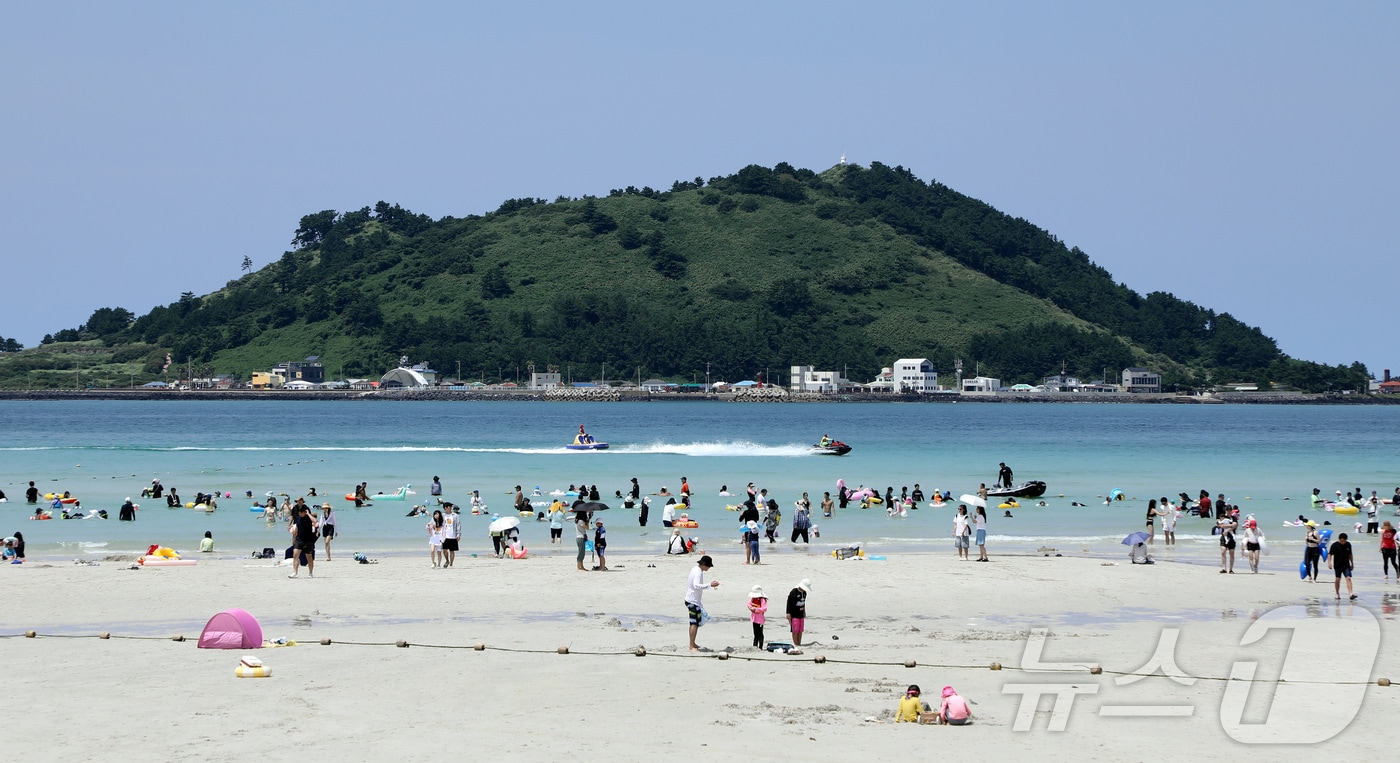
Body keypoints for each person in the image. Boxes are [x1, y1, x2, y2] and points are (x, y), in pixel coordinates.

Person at [686, 555, 719, 651]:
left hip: (693, 600)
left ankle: (693, 643)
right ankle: (691, 646)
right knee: (694, 623)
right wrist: (710, 585)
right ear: (704, 564)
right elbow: (696, 585)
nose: (709, 568)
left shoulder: (696, 569)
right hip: (692, 601)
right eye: (708, 566)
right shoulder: (698, 572)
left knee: (695, 622)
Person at [288, 506, 316, 578]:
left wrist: (308, 514)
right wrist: (294, 535)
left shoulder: (309, 518)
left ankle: (310, 573)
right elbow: (297, 527)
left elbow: (315, 521)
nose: (300, 514)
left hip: (308, 540)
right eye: (299, 513)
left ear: (304, 512)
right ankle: (295, 572)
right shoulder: (297, 518)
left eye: (301, 512)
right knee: (295, 556)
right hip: (299, 539)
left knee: (309, 557)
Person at [1328, 532, 1356, 600]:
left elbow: (1350, 554)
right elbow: (1330, 554)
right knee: (1338, 579)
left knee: (1348, 578)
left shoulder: (1348, 544)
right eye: (1342, 541)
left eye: (1344, 541)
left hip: (1346, 565)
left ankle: (1351, 594)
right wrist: (1329, 563)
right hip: (1337, 565)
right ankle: (1337, 593)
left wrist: (1352, 563)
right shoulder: (1334, 545)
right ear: (1339, 539)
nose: (1343, 542)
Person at [786, 579, 810, 646]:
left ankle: (799, 643)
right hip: (794, 614)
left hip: (801, 613)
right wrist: (788, 613)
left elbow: (803, 602)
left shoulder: (804, 593)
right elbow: (789, 602)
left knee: (800, 629)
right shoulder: (794, 592)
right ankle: (796, 644)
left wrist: (804, 611)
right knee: (795, 630)